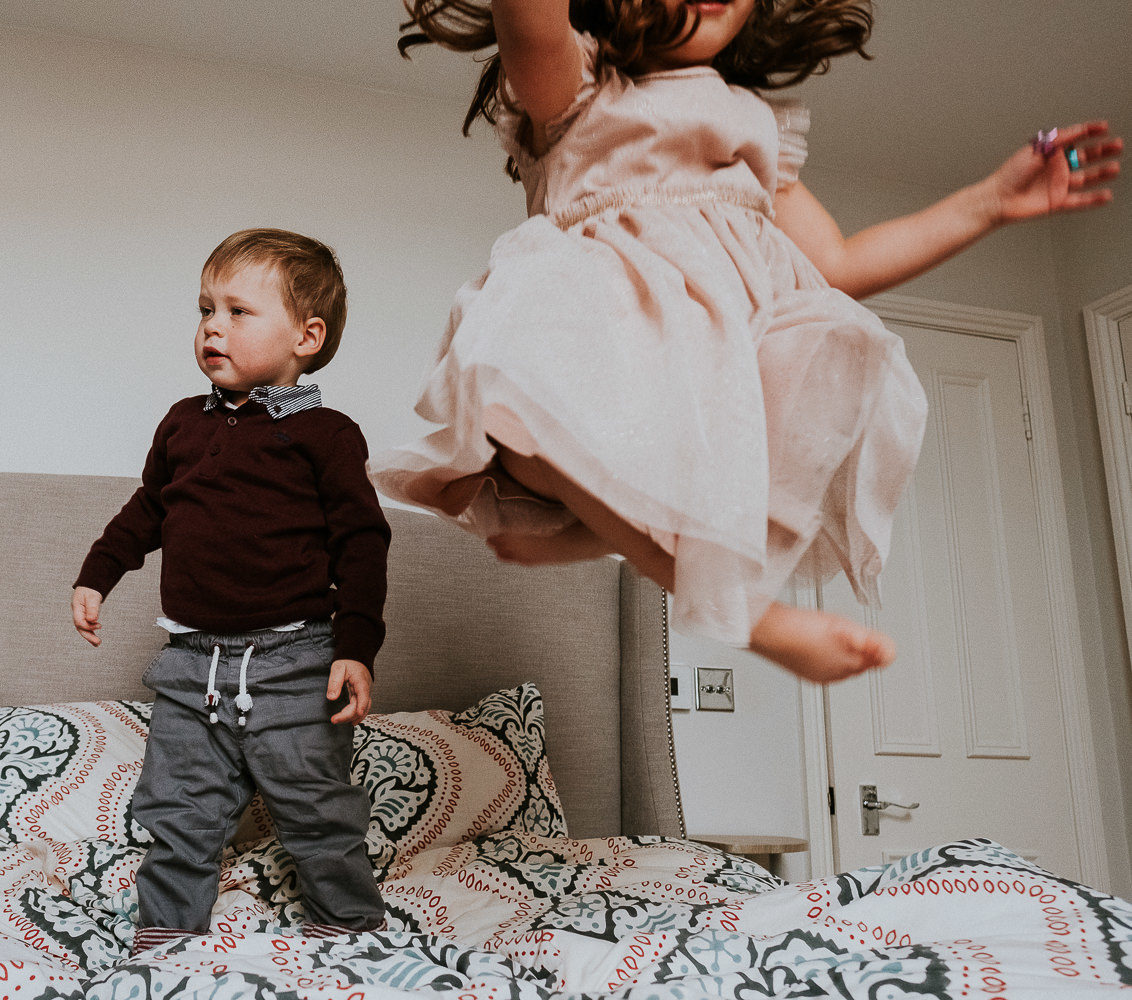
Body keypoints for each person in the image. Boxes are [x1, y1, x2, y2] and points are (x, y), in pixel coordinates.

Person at [368, 0, 1122, 683]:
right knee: (516, 368)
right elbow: (529, 18)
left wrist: (986, 202)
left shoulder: (754, 122)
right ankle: (748, 612)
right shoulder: (578, 88)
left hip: (712, 381)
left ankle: (602, 534)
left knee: (838, 340)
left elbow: (838, 265)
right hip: (610, 357)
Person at [71, 228, 389, 947]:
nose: (213, 325)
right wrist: (99, 574)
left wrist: (356, 646)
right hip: (192, 668)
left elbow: (363, 544)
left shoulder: (327, 434)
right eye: (205, 309)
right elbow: (147, 508)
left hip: (295, 661)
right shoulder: (183, 424)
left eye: (238, 311)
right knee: (176, 809)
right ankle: (166, 939)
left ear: (307, 336)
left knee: (316, 808)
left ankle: (349, 926)